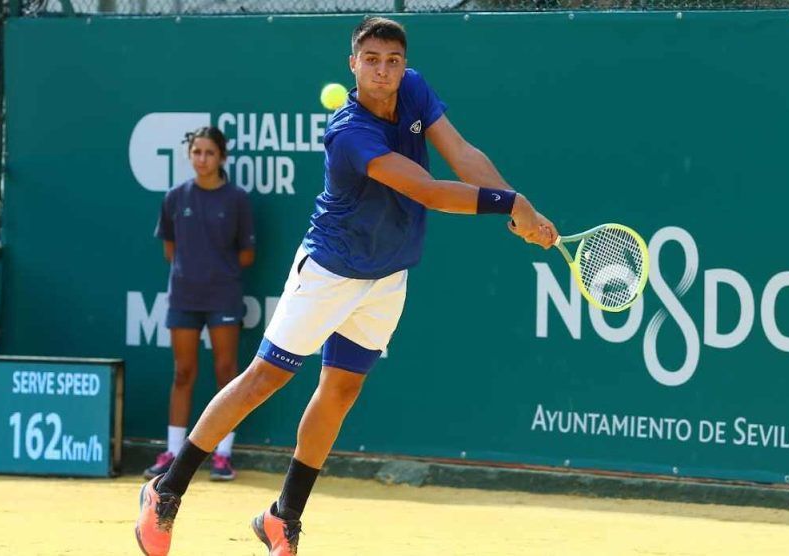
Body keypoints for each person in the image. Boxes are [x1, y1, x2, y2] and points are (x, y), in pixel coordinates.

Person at [135, 16, 556, 556]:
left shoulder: (415, 90)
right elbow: (426, 191)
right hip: (330, 272)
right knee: (264, 379)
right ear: (352, 64)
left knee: (341, 390)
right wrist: (509, 205)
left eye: (394, 61)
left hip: (387, 277)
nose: (384, 72)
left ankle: (283, 516)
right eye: (372, 60)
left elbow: (463, 153)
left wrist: (523, 209)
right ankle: (166, 490)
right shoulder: (349, 132)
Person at [144, 126, 255, 483]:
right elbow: (168, 251)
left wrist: (215, 274)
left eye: (209, 153)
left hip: (223, 295)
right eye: (196, 152)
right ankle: (174, 452)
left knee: (227, 373)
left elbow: (247, 254)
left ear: (221, 157)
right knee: (183, 372)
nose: (202, 159)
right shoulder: (175, 197)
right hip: (184, 296)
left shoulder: (236, 199)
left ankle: (223, 455)